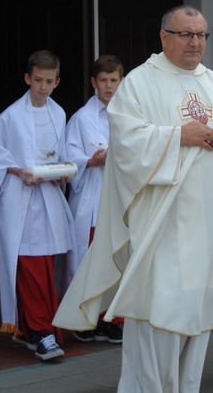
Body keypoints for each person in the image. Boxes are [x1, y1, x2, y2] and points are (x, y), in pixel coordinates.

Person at [53, 5, 213, 392]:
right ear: (164, 37)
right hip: (162, 228)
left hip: (209, 228)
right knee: (158, 312)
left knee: (194, 317)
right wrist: (178, 135)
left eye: (201, 35)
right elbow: (125, 142)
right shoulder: (140, 83)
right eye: (186, 34)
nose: (195, 42)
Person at [0, 49, 76, 361]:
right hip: (21, 201)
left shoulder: (59, 113)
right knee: (29, 267)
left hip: (48, 199)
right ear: (27, 78)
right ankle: (42, 332)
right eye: (38, 80)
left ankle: (30, 328)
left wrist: (61, 174)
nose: (43, 87)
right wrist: (16, 169)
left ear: (57, 81)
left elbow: (59, 154)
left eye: (49, 81)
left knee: (47, 266)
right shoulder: (9, 117)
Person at [62, 54, 124, 344]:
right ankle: (82, 319)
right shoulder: (81, 119)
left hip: (119, 198)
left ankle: (109, 319)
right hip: (92, 197)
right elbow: (68, 156)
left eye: (114, 80)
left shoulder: (129, 115)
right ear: (93, 82)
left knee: (116, 259)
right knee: (88, 259)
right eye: (103, 80)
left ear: (121, 81)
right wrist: (90, 160)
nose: (109, 86)